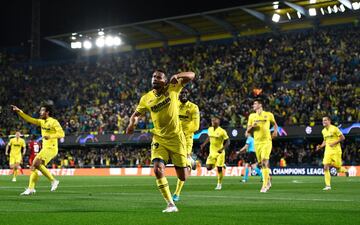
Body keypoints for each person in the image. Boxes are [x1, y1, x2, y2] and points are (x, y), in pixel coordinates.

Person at [126, 70, 195, 213]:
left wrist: (178, 76)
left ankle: (190, 162)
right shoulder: (146, 98)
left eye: (159, 77)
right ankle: (170, 204)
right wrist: (131, 124)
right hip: (159, 138)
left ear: (165, 80)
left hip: (177, 138)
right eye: (153, 77)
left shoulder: (173, 87)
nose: (155, 79)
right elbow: (135, 114)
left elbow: (192, 75)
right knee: (157, 170)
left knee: (182, 176)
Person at [11, 105, 64, 195]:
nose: (40, 112)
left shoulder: (54, 122)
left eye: (42, 111)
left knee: (35, 164)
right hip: (45, 148)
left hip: (51, 148)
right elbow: (30, 119)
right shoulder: (41, 122)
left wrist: (50, 136)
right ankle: (31, 188)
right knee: (34, 167)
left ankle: (53, 181)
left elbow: (61, 133)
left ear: (47, 112)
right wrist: (20, 112)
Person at [172, 87, 200, 202]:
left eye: (185, 93)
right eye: (181, 92)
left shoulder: (193, 107)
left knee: (183, 165)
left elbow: (196, 126)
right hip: (173, 138)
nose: (183, 94)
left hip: (187, 139)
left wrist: (184, 132)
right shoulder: (173, 106)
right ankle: (191, 161)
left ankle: (177, 193)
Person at [246, 99, 278, 193]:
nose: (253, 105)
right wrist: (253, 126)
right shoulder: (252, 116)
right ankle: (268, 180)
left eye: (255, 104)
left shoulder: (268, 114)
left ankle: (264, 185)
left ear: (260, 105)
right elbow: (248, 130)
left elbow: (274, 123)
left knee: (264, 162)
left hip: (267, 141)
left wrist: (275, 131)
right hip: (257, 143)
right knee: (262, 164)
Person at [316, 116, 348, 191]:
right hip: (327, 151)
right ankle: (328, 186)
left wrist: (334, 142)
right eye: (323, 120)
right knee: (325, 167)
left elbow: (343, 137)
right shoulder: (323, 131)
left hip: (336, 151)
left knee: (337, 167)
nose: (324, 121)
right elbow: (325, 141)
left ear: (329, 121)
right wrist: (320, 146)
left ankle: (345, 170)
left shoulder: (334, 128)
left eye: (325, 120)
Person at [200, 116, 230, 190]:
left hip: (220, 152)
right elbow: (209, 137)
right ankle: (221, 164)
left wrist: (222, 149)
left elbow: (228, 142)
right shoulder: (209, 129)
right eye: (212, 120)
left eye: (214, 120)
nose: (213, 121)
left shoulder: (222, 131)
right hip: (212, 152)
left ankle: (219, 184)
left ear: (218, 122)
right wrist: (204, 144)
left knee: (219, 169)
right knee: (208, 168)